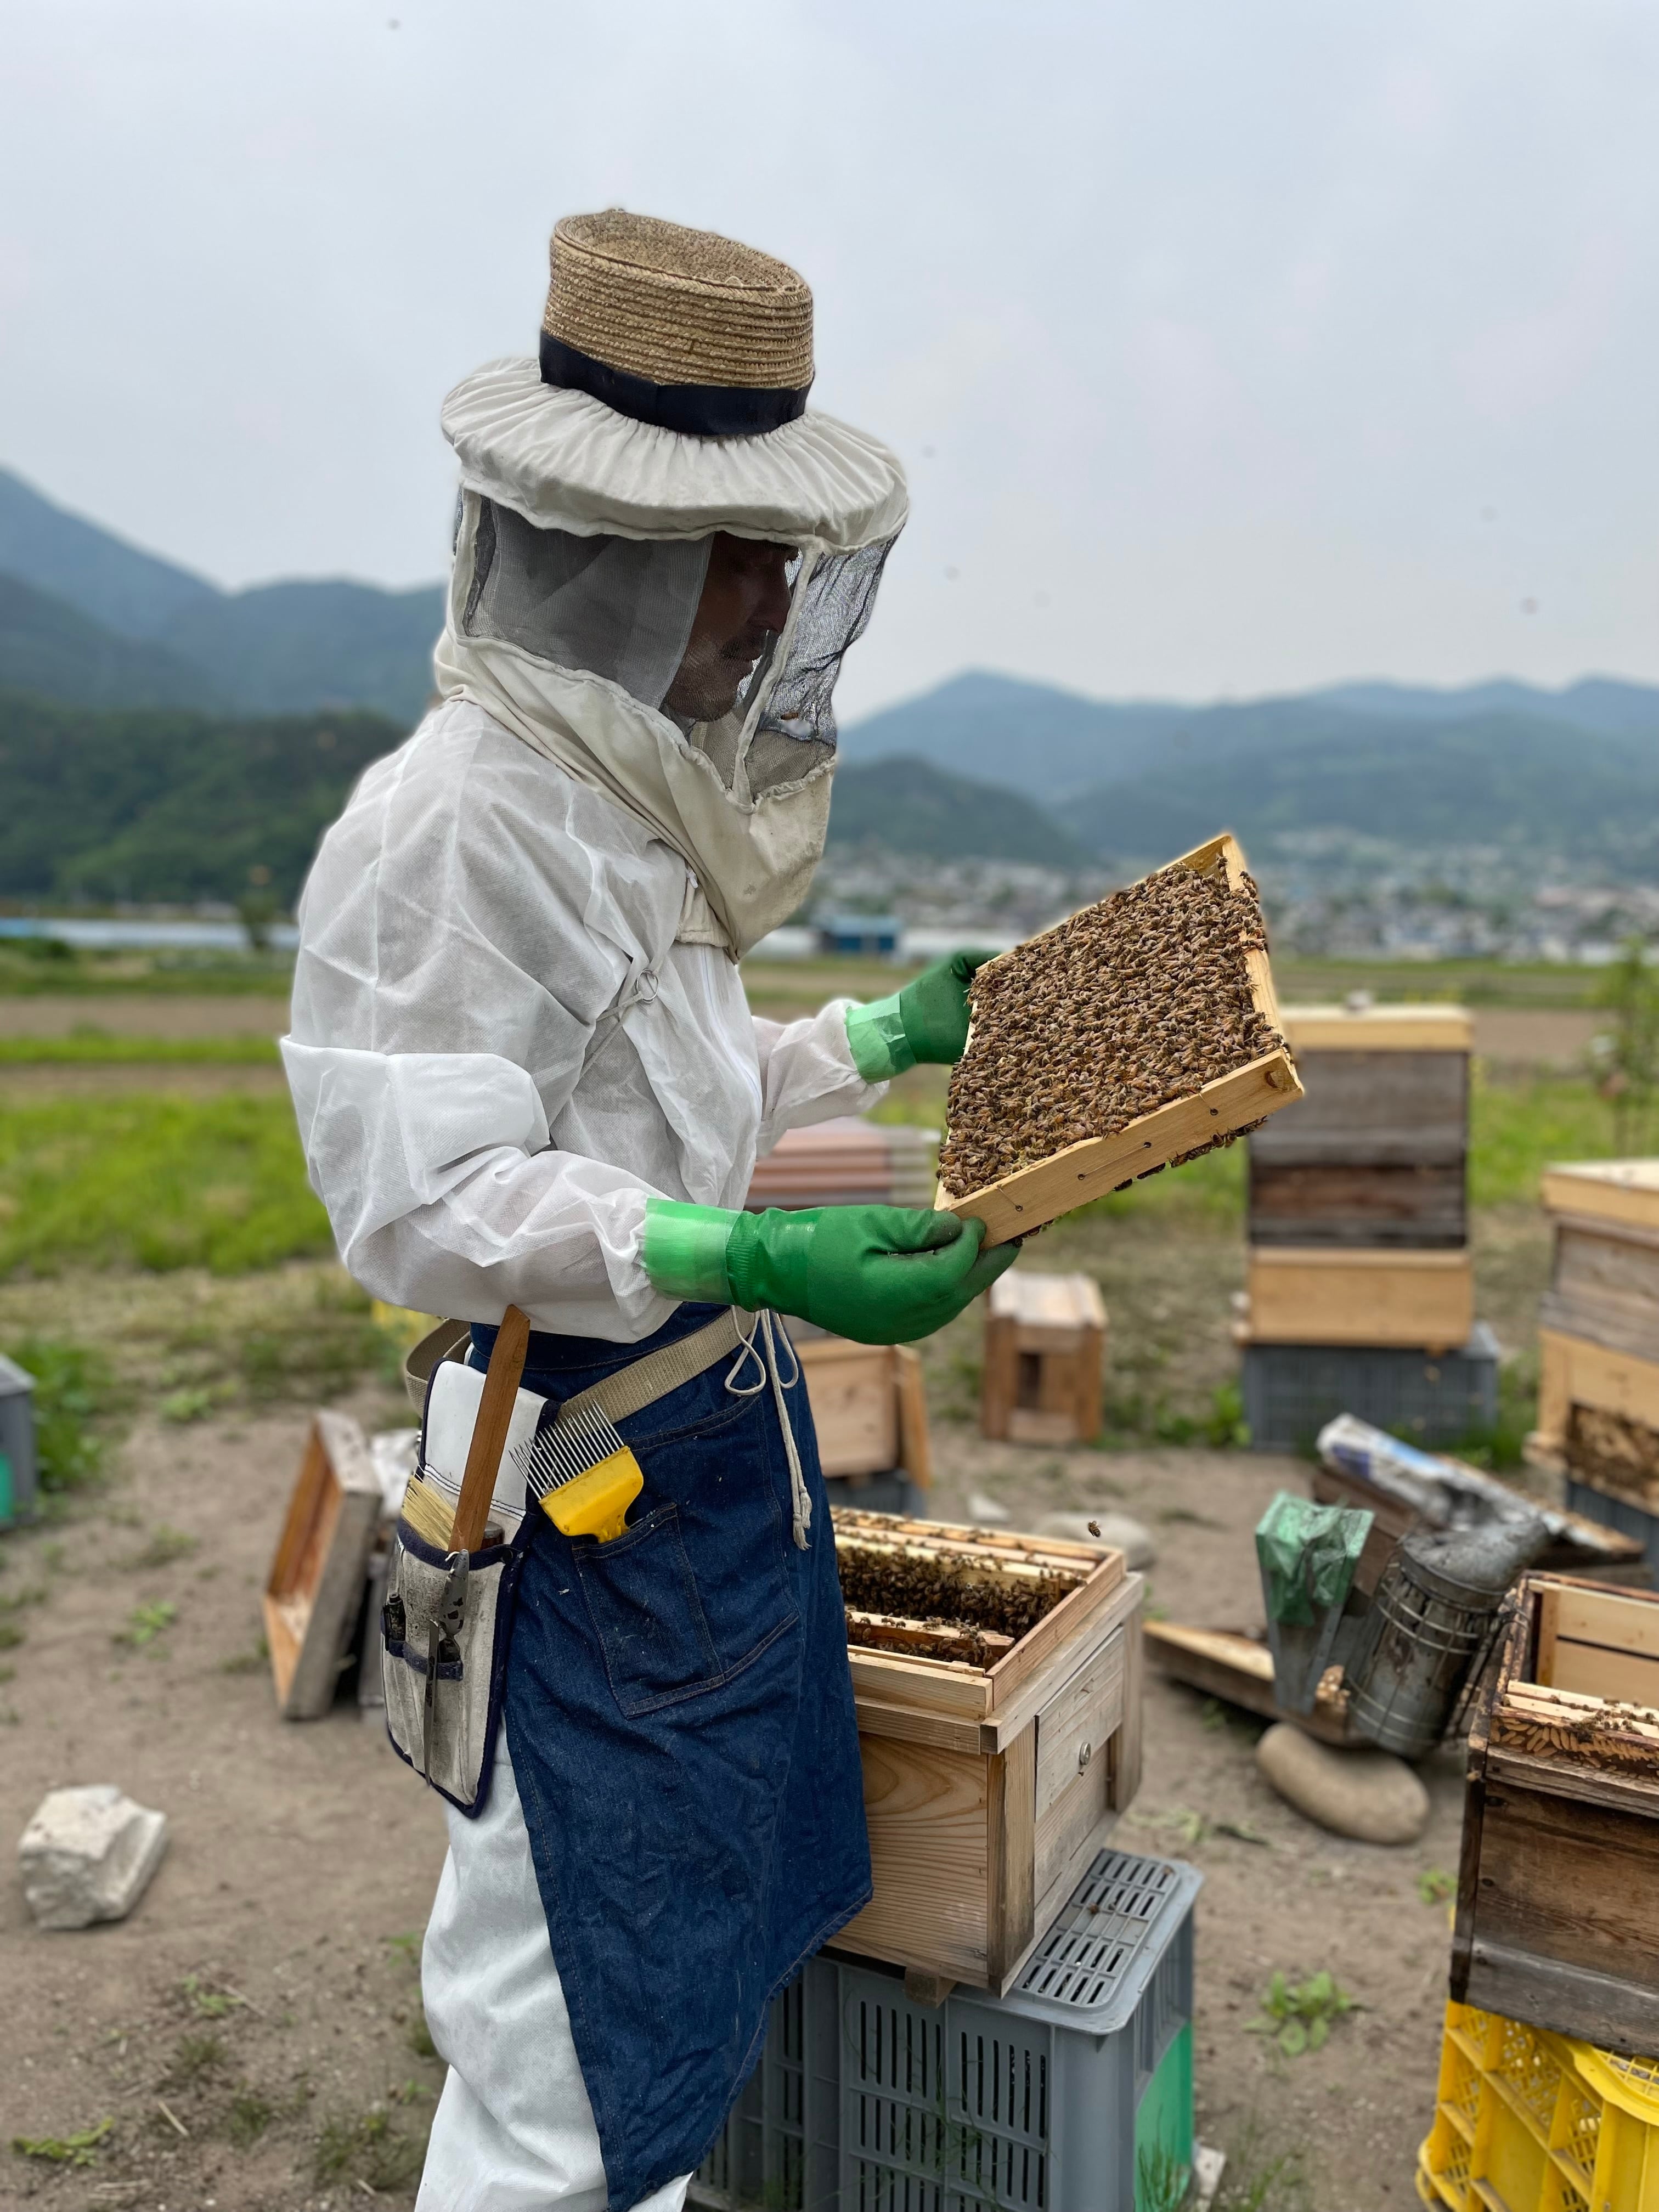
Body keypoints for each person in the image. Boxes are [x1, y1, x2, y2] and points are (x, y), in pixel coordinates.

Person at [283, 209, 1013, 2212]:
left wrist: (874, 1041)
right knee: (563, 2041)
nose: (779, 594)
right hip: (583, 1490)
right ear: (622, 550)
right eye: (744, 547)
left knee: (667, 1987)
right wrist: (736, 1253)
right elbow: (422, 1198)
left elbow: (669, 1105)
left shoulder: (610, 799)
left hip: (693, 1470)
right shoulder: (447, 828)